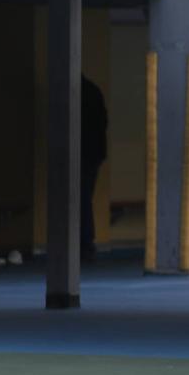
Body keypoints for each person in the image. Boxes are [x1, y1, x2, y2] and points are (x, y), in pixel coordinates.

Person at [81, 75, 108, 262]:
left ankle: (84, 242)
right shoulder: (93, 90)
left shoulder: (76, 93)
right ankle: (86, 241)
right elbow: (104, 120)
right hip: (94, 152)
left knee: (81, 198)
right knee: (84, 197)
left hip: (84, 152)